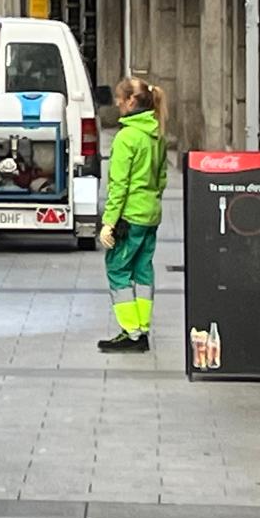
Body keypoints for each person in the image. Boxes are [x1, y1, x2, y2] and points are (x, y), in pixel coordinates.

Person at [98, 77, 169, 353]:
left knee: (117, 269)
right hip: (150, 214)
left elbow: (119, 186)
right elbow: (161, 176)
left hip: (130, 217)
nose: (116, 103)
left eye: (119, 98)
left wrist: (108, 223)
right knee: (143, 270)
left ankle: (131, 332)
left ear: (131, 101)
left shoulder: (127, 137)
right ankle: (143, 328)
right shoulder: (157, 133)